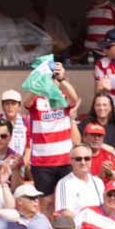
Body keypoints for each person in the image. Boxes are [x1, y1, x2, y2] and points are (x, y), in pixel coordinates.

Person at [27, 62, 80, 200]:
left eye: (53, 79)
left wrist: (62, 78)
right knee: (46, 202)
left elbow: (74, 98)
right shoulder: (36, 99)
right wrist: (39, 82)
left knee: (68, 200)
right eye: (49, 79)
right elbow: (26, 103)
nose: (51, 82)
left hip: (65, 160)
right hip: (42, 162)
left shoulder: (63, 97)